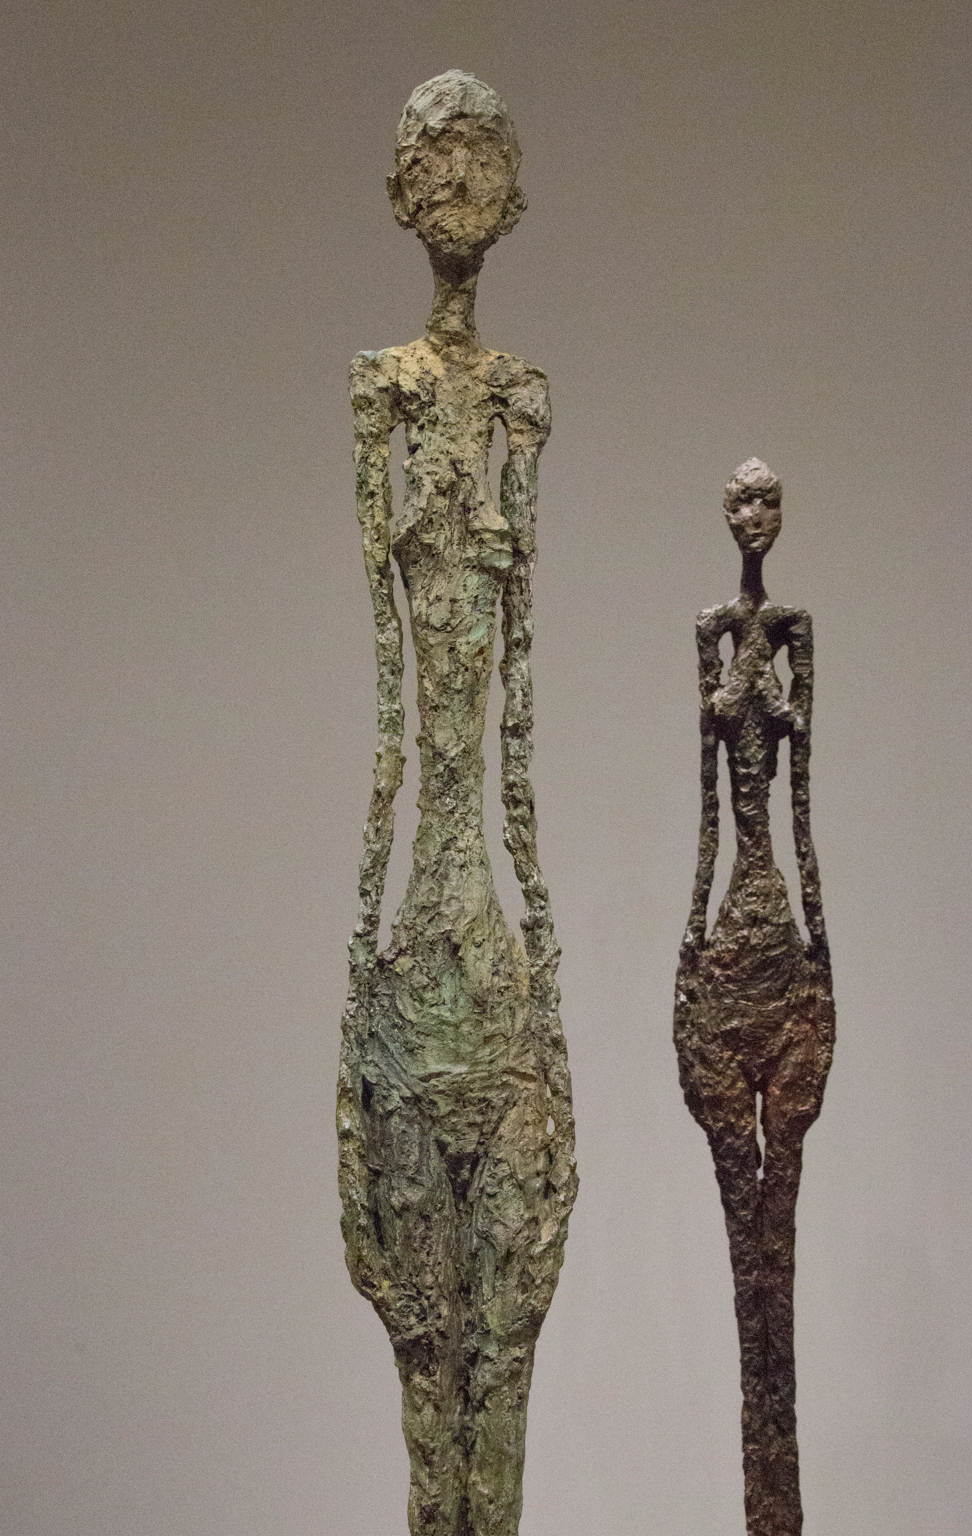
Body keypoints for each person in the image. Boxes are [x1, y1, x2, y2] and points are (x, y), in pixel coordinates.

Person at [337, 71, 576, 1536]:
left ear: (514, 194)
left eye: (479, 161)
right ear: (400, 194)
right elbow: (391, 694)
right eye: (435, 163)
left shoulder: (520, 398)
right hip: (425, 933)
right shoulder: (382, 388)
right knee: (425, 1349)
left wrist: (540, 947)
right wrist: (362, 954)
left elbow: (521, 707)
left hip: (486, 950)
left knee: (509, 1341)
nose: (457, 188)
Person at [675, 458, 835, 1536]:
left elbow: (802, 802)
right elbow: (706, 810)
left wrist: (820, 949)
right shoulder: (712, 629)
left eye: (767, 500)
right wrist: (690, 942)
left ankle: (776, 1503)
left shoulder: (792, 629)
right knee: (748, 1241)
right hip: (731, 932)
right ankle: (767, 1495)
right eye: (741, 501)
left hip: (779, 941)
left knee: (778, 1229)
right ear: (723, 511)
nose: (754, 515)